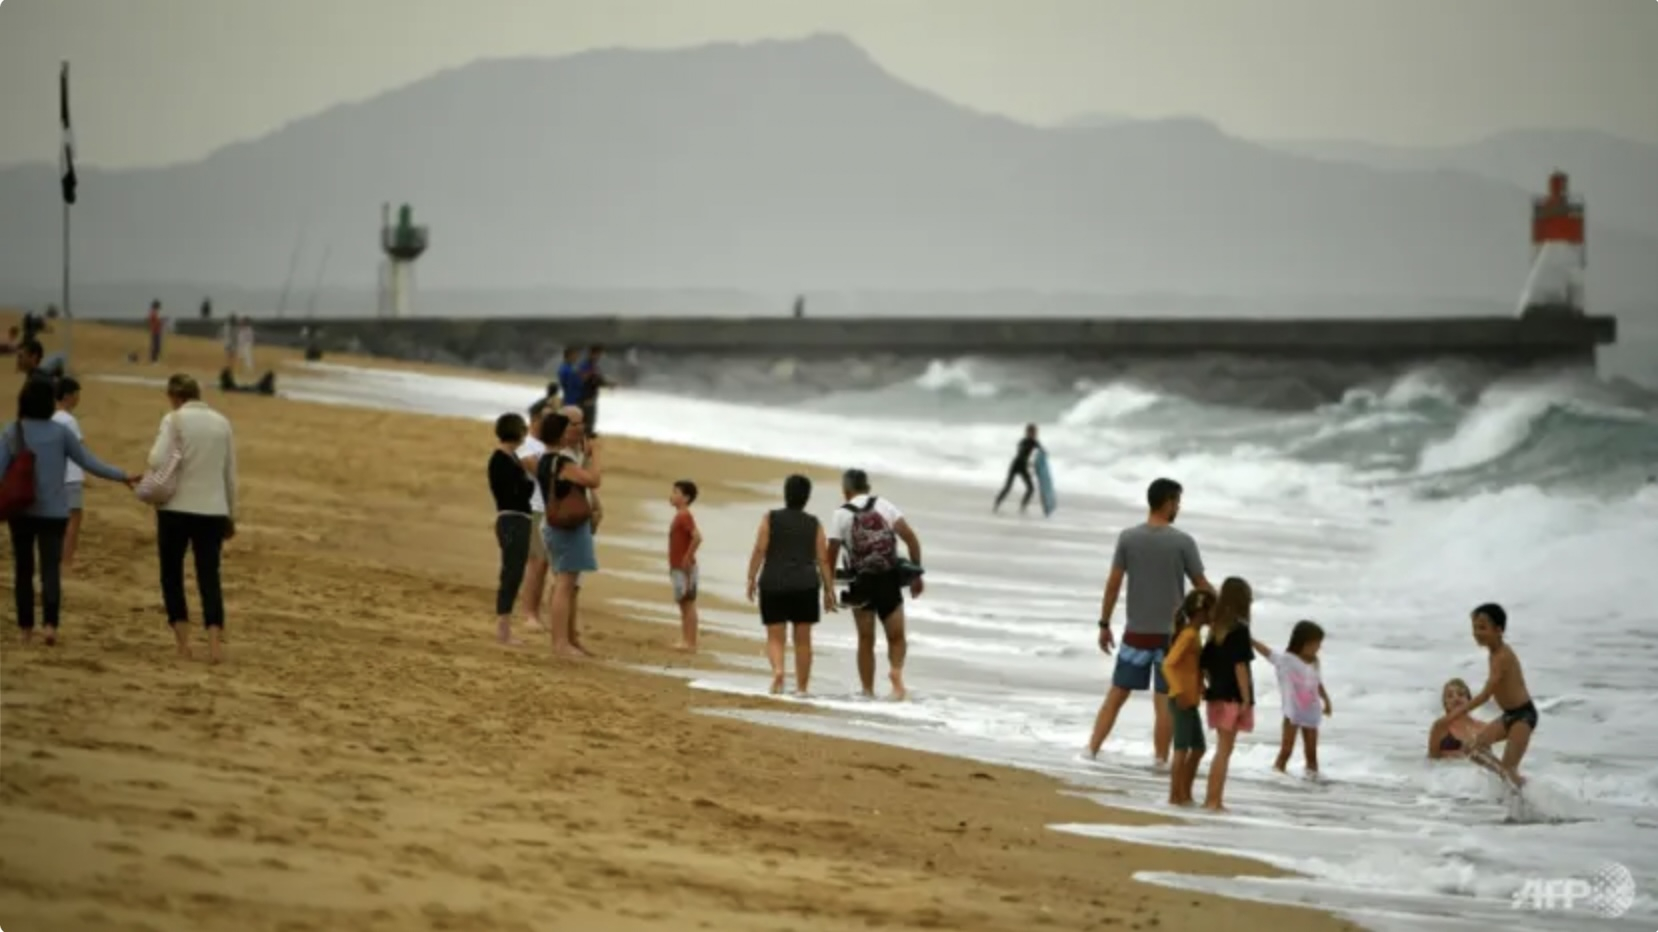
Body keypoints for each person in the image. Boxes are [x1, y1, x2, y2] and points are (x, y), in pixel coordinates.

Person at [2, 380, 135, 644]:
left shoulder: (12, 432)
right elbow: (88, 461)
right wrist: (122, 475)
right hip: (54, 512)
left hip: (22, 510)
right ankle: (50, 626)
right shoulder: (60, 433)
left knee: (23, 570)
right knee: (51, 569)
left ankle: (25, 629)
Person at [1088, 477, 1211, 762]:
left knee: (1117, 694)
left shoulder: (1128, 538)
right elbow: (1201, 585)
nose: (1178, 507)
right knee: (1165, 703)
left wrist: (1104, 624)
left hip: (1137, 633)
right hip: (1172, 636)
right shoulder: (1182, 542)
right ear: (1168, 502)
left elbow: (1113, 584)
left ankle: (1090, 750)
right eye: (1177, 501)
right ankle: (1159, 761)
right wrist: (1225, 612)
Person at [149, 374, 238, 663]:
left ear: (174, 396)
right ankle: (214, 645)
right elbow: (229, 475)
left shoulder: (173, 420)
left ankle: (184, 645)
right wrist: (230, 514)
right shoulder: (222, 423)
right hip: (212, 509)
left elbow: (156, 459)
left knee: (172, 574)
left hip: (175, 507)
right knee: (209, 577)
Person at [827, 469, 923, 701]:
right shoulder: (885, 506)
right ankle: (896, 675)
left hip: (860, 582)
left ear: (845, 491)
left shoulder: (840, 515)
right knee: (896, 636)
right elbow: (910, 539)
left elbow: (830, 555)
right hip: (888, 577)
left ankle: (868, 692)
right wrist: (916, 575)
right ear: (867, 488)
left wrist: (827, 588)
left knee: (866, 639)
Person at [747, 474, 838, 695]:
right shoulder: (814, 523)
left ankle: (778, 671)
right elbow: (823, 558)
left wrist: (751, 577)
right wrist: (829, 589)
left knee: (775, 636)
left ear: (786, 493)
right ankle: (802, 688)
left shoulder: (770, 518)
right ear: (806, 497)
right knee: (803, 641)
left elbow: (760, 549)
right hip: (805, 585)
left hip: (773, 582)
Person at [1442, 603, 1536, 787]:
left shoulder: (1502, 656)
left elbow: (1486, 694)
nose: (1477, 632)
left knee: (1508, 771)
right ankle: (1512, 784)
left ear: (1499, 629)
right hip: (1509, 716)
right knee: (1472, 749)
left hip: (1523, 717)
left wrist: (1457, 712)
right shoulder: (1493, 654)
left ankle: (1528, 800)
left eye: (1483, 627)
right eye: (1475, 628)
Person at [534, 410, 601, 659]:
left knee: (565, 584)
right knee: (565, 584)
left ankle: (564, 640)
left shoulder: (545, 459)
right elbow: (594, 480)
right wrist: (595, 455)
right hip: (565, 527)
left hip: (555, 525)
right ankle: (560, 642)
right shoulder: (561, 462)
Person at [1200, 577, 1255, 811]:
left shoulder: (1215, 631)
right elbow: (1240, 666)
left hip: (1217, 694)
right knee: (1224, 751)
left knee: (1222, 749)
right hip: (1232, 696)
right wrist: (1245, 698)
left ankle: (1211, 799)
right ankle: (1214, 801)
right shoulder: (1239, 630)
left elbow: (1204, 664)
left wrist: (1211, 685)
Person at [1251, 620, 1333, 775]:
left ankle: (1311, 786)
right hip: (1292, 714)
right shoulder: (1287, 660)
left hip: (1311, 712)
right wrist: (1250, 640)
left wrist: (1327, 701)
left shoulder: (1314, 661)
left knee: (1312, 755)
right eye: (1315, 644)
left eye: (1319, 644)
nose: (1318, 648)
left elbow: (1317, 683)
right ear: (1303, 642)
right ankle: (1277, 779)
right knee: (1286, 751)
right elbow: (1267, 652)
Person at [1161, 589, 1215, 806]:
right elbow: (1168, 664)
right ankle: (1175, 796)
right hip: (1180, 698)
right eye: (1213, 610)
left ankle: (1185, 792)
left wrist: (1201, 685)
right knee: (1182, 749)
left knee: (1199, 748)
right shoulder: (1188, 635)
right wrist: (1179, 691)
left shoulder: (1195, 634)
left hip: (1190, 699)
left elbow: (1190, 667)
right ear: (1202, 611)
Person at [487, 413, 536, 646]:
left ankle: (505, 628)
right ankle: (503, 630)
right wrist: (529, 480)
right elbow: (515, 493)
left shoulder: (512, 458)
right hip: (512, 519)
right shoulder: (501, 460)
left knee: (514, 572)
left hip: (518, 519)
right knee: (512, 573)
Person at [515, 398, 553, 633]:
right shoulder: (525, 445)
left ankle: (534, 611)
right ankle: (529, 613)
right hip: (532, 508)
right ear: (536, 419)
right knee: (536, 562)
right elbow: (541, 472)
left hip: (547, 508)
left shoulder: (546, 446)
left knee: (543, 563)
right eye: (549, 418)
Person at [52, 377, 88, 570]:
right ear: (68, 396)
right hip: (71, 477)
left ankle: (56, 558)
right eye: (76, 395)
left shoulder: (51, 418)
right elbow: (80, 451)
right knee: (73, 520)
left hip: (55, 477)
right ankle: (66, 562)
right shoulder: (70, 421)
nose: (77, 399)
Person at [667, 479, 702, 652]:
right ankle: (687, 640)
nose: (672, 496)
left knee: (687, 604)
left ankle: (690, 642)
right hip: (678, 565)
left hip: (683, 567)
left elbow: (697, 537)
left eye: (676, 493)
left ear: (686, 498)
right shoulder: (681, 515)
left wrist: (688, 557)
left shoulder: (684, 516)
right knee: (684, 603)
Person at [993, 424, 1041, 514]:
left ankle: (1023, 506)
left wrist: (1039, 463)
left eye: (1035, 432)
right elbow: (1021, 454)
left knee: (1030, 489)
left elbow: (1042, 453)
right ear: (1027, 433)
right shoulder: (1023, 442)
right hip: (1015, 466)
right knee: (1008, 487)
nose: (1034, 434)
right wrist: (1031, 464)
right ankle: (997, 503)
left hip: (1023, 467)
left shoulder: (1035, 442)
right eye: (1032, 432)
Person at [578, 345, 614, 437]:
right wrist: (591, 374)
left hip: (592, 397)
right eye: (597, 354)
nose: (598, 357)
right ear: (591, 353)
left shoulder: (594, 367)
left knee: (589, 424)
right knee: (584, 424)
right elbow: (582, 378)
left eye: (599, 355)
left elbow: (598, 381)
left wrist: (608, 384)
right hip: (584, 397)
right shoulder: (585, 365)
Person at [146, 300, 165, 364]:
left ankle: (154, 359)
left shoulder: (154, 313)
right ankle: (153, 360)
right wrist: (161, 322)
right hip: (155, 331)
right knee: (156, 346)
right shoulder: (153, 313)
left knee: (156, 346)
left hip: (157, 331)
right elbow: (156, 322)